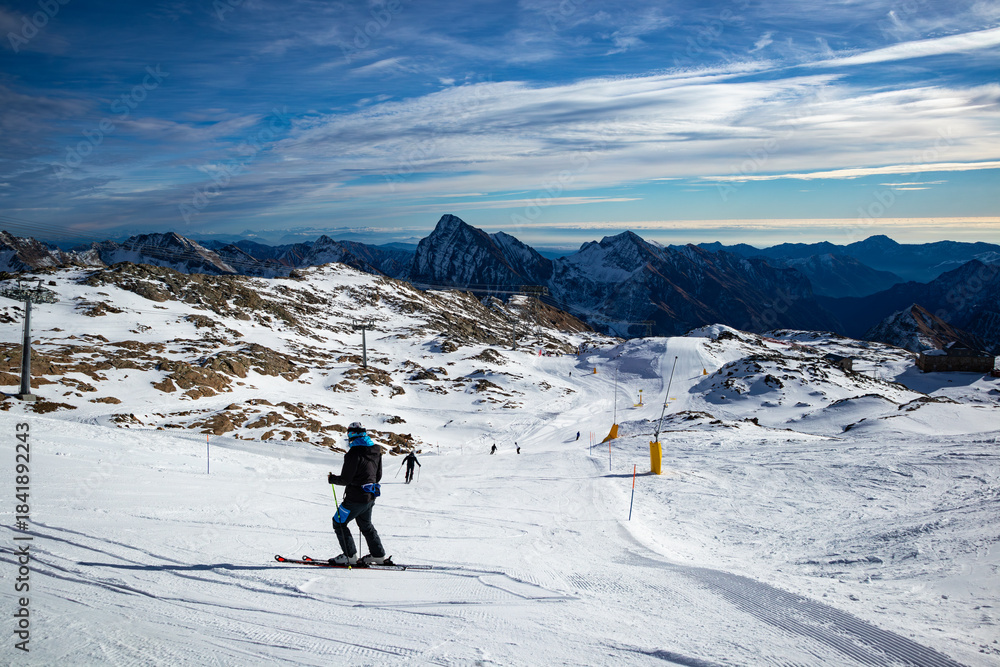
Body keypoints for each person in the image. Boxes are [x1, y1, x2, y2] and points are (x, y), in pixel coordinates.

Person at [327, 422, 386, 566]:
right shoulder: (376, 450)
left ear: (351, 435)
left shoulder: (353, 453)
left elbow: (346, 479)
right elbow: (378, 476)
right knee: (366, 525)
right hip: (370, 496)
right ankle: (378, 555)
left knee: (339, 522)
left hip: (355, 498)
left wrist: (332, 479)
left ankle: (350, 556)